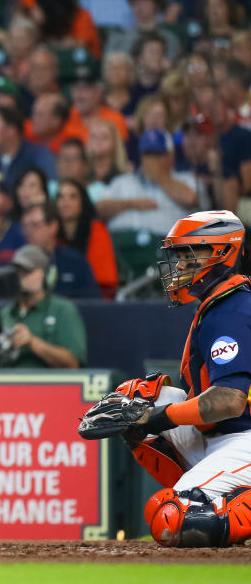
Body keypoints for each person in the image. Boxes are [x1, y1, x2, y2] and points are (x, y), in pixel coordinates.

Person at [95, 210, 251, 547]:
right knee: (137, 398)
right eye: (179, 256)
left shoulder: (232, 310)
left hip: (245, 438)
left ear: (222, 252)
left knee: (170, 516)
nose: (179, 265)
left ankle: (207, 497)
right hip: (226, 435)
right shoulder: (220, 303)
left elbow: (229, 400)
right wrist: (147, 415)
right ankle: (214, 490)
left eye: (189, 254)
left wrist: (159, 418)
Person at [97, 128, 199, 237]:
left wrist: (160, 177)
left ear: (170, 156)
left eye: (157, 154)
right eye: (147, 154)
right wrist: (130, 204)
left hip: (166, 244)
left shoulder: (185, 179)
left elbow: (190, 199)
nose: (151, 159)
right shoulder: (122, 181)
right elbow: (100, 209)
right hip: (123, 243)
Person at [0, 244, 87, 368]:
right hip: (8, 385)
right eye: (16, 272)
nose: (19, 278)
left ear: (45, 275)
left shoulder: (63, 310)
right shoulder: (5, 313)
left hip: (50, 385)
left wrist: (32, 342)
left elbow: (73, 363)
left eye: (26, 271)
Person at [20, 202, 101, 299]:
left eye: (35, 225)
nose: (28, 232)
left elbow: (92, 303)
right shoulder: (18, 264)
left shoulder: (75, 261)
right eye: (25, 226)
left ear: (53, 226)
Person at [55, 179, 119, 297]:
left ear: (83, 202)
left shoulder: (97, 230)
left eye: (72, 196)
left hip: (91, 299)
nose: (66, 201)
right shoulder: (50, 231)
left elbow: (105, 282)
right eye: (60, 197)